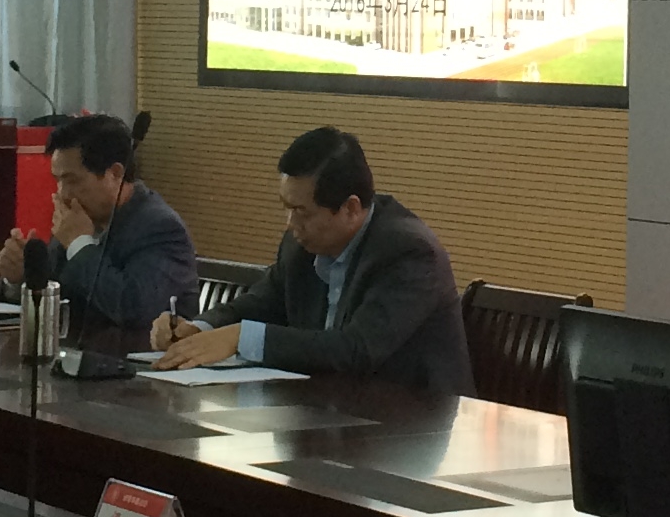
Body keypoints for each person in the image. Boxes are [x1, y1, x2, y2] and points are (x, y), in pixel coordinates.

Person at [146, 126, 468, 396]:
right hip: (327, 409)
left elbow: (357, 348)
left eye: (302, 211)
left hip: (416, 423)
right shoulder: (301, 242)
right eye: (287, 208)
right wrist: (198, 329)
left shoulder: (409, 252)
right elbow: (263, 302)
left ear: (350, 208)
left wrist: (239, 338)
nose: (290, 224)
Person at [0, 113, 195, 338]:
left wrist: (79, 244)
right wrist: (20, 277)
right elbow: (55, 295)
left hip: (133, 357)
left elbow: (133, 310)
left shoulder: (160, 228)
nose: (63, 194)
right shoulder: (78, 218)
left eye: (72, 181)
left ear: (115, 174)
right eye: (58, 181)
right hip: (73, 351)